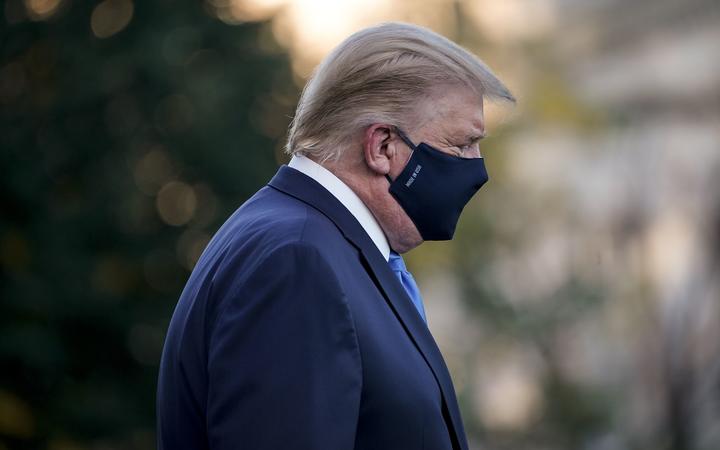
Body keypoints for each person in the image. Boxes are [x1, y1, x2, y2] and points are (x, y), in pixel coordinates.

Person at [156, 22, 514, 450]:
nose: (478, 168)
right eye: (461, 145)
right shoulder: (296, 260)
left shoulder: (320, 247)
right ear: (382, 147)